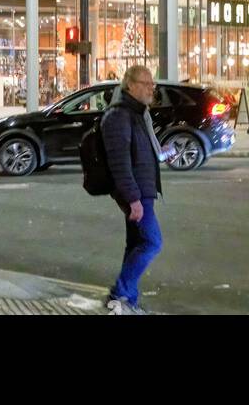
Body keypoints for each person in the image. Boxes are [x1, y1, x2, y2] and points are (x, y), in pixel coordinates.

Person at [101, 65, 166, 315]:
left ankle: (127, 299)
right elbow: (120, 163)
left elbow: (140, 154)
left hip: (141, 191)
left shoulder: (137, 113)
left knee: (136, 244)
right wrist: (133, 199)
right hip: (136, 193)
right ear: (130, 85)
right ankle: (119, 294)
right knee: (152, 242)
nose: (151, 88)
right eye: (146, 83)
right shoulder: (119, 116)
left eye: (152, 84)